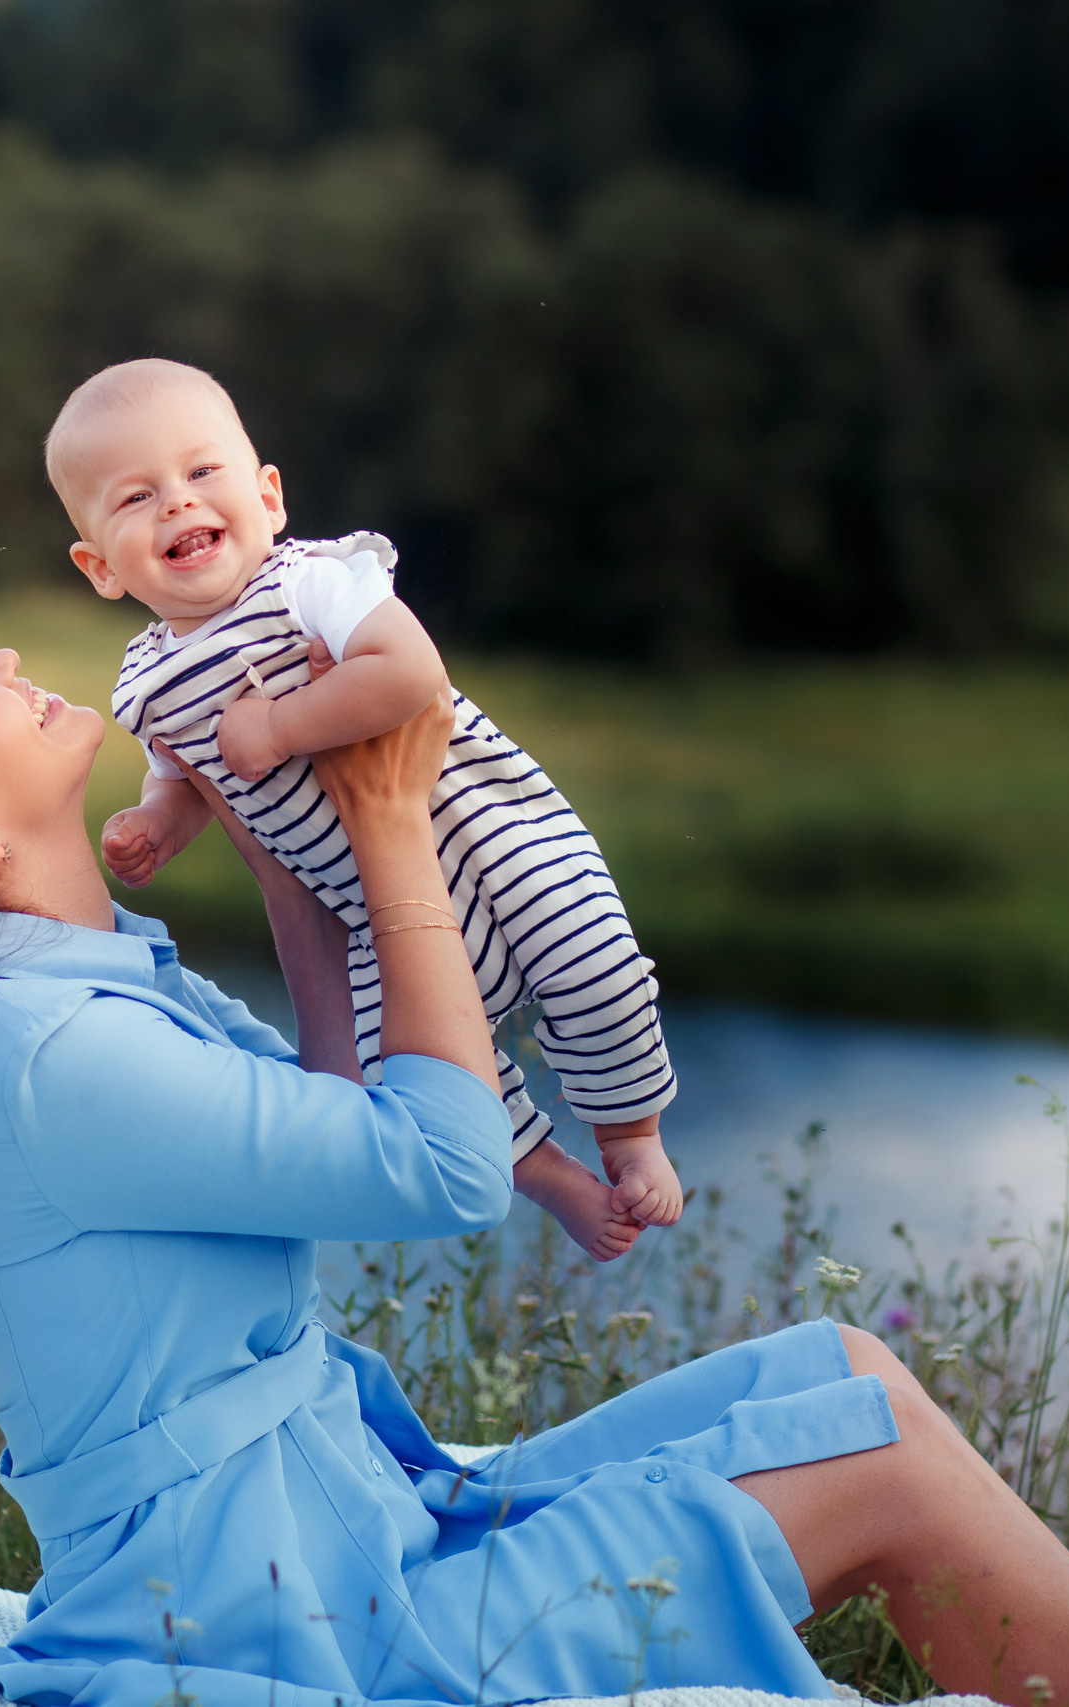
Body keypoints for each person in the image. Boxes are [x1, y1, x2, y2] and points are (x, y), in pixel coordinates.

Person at [0, 629, 1069, 1706]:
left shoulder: (74, 990)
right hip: (294, 1633)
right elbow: (440, 1165)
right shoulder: (52, 1056)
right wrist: (394, 822)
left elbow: (345, 1096)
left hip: (330, 1547)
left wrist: (292, 830)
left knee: (840, 1362)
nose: (3, 666)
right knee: (880, 1461)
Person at [55, 357, 675, 1264]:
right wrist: (155, 823)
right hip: (370, 908)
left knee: (593, 967)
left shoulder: (314, 583)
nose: (179, 505)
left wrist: (276, 725)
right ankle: (550, 1177)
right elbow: (189, 779)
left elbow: (409, 671)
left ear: (268, 496)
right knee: (414, 1067)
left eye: (200, 473)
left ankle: (630, 1132)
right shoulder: (148, 683)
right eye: (136, 497)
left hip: (493, 833)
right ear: (100, 567)